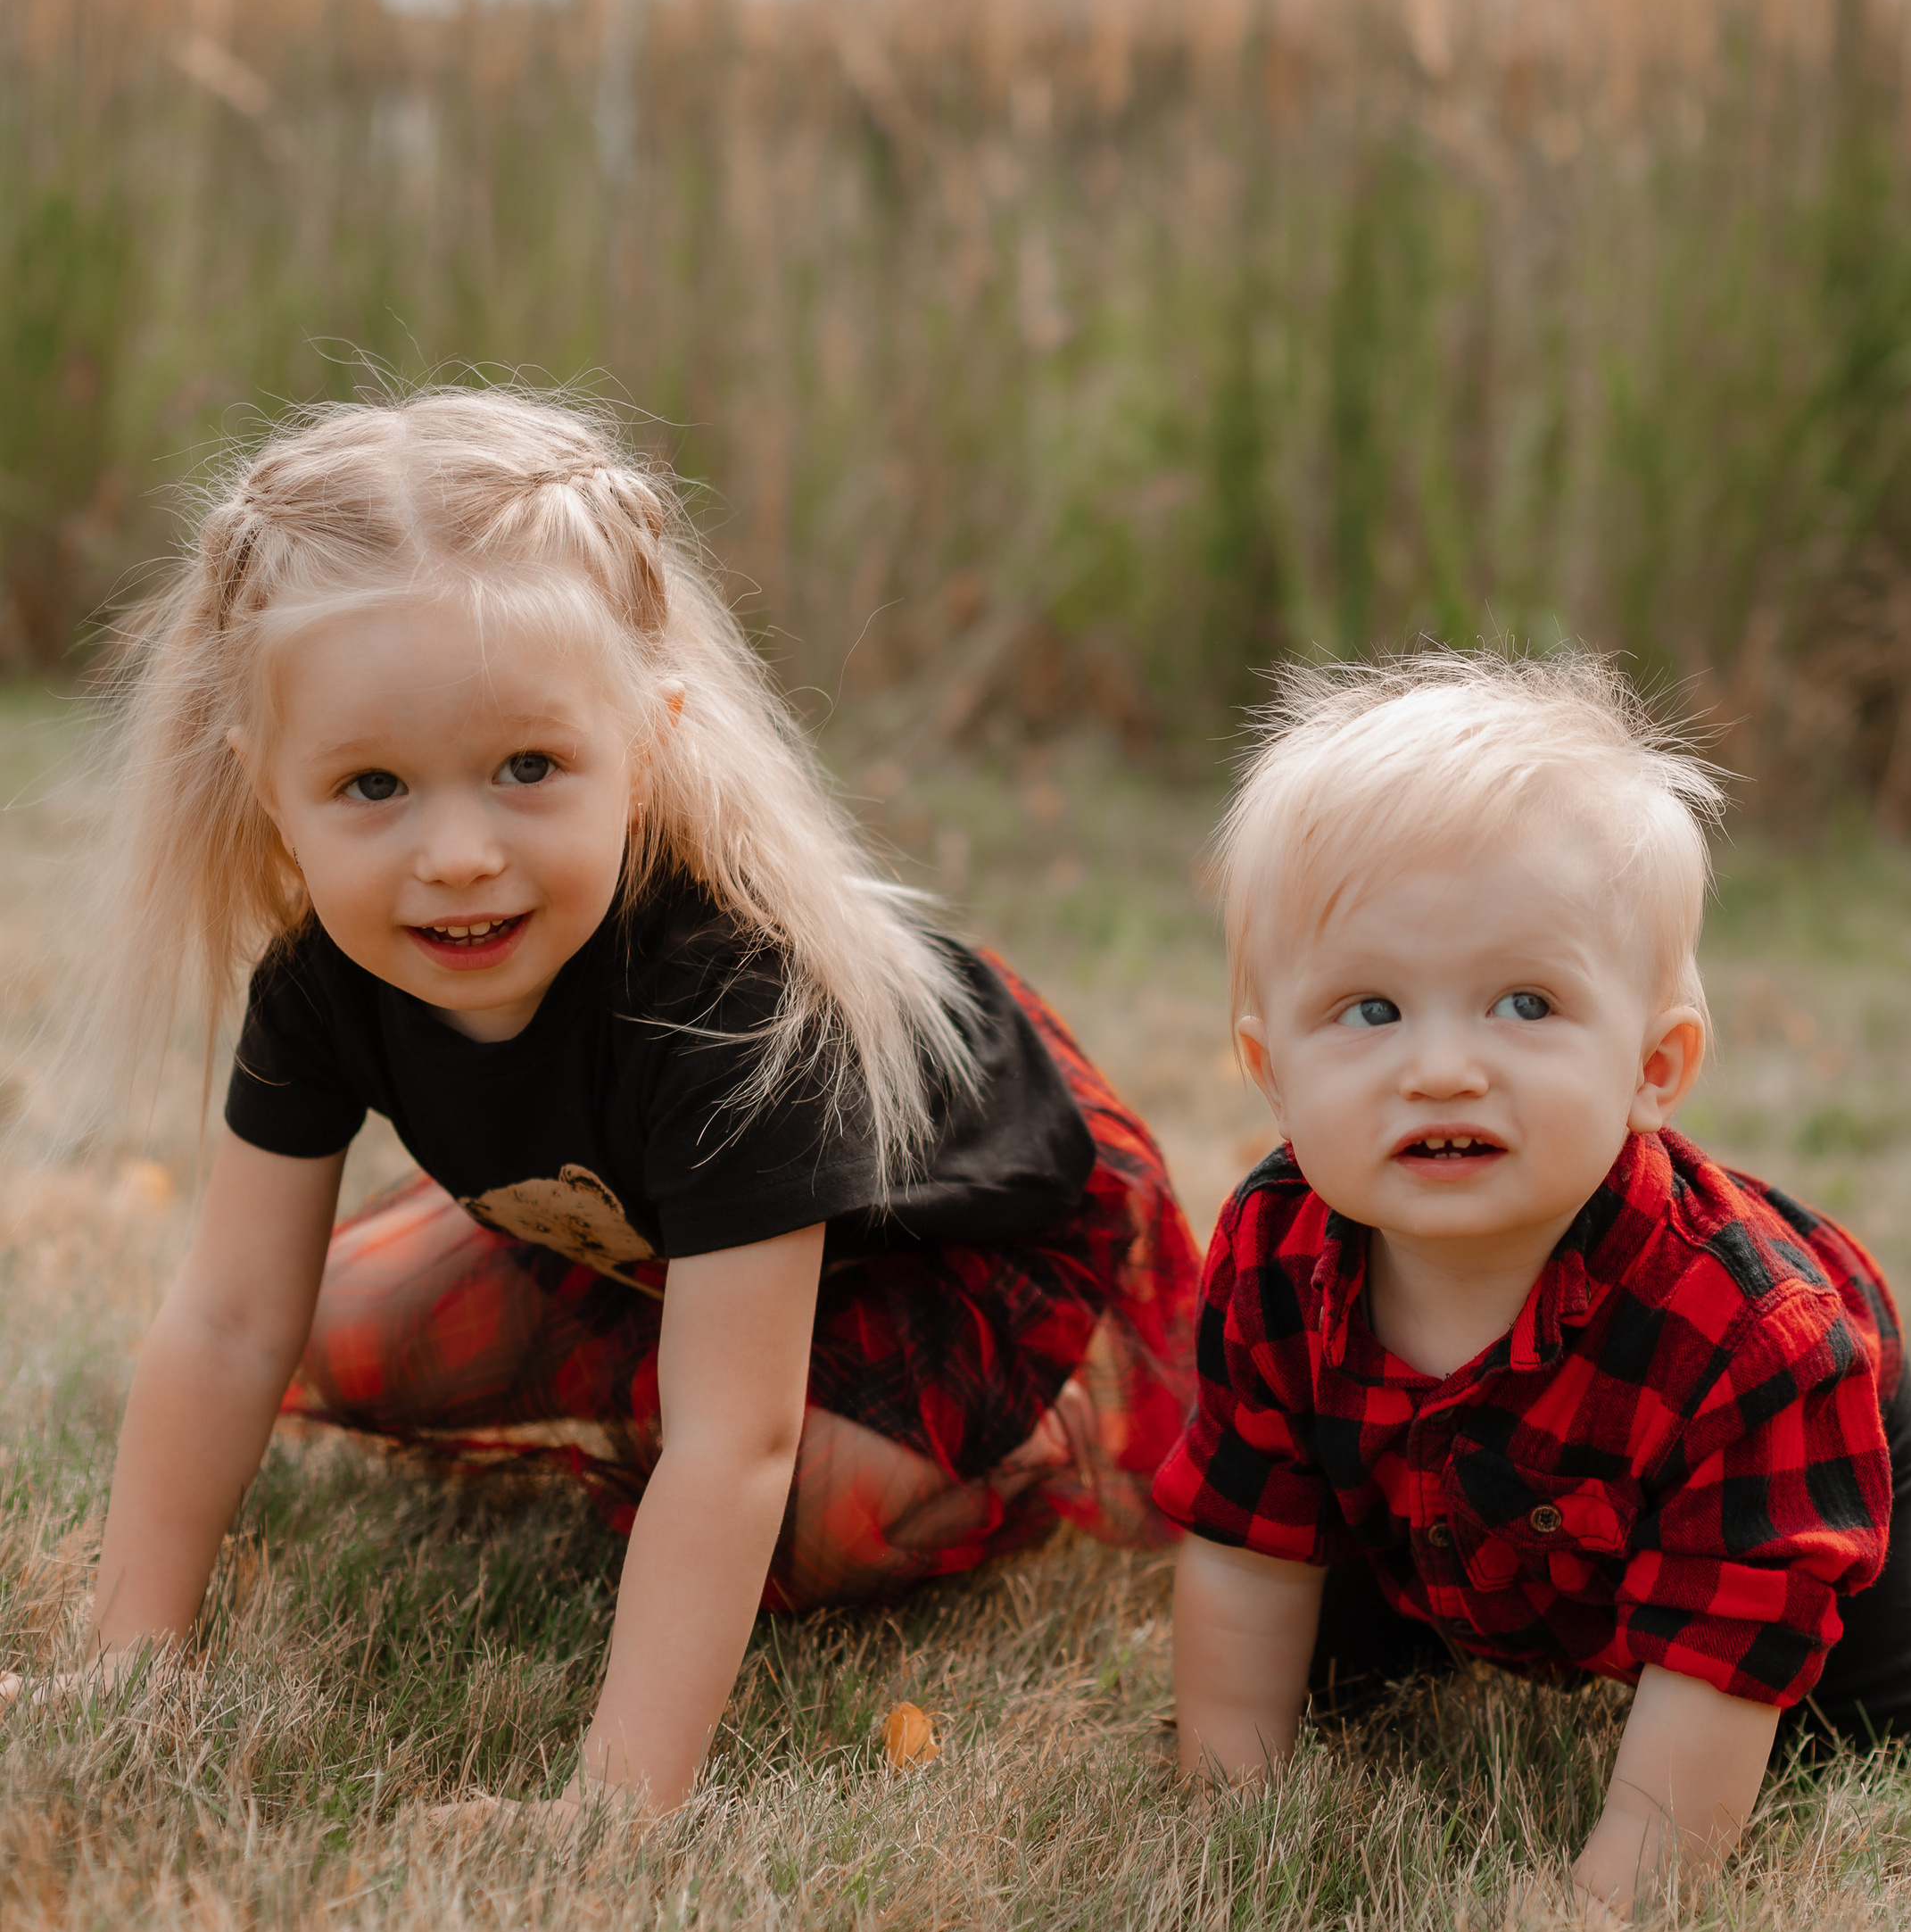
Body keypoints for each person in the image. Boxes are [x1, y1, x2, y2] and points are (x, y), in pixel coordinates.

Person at [24, 386, 1197, 1813]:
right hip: (646, 1230)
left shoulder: (734, 1002)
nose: (458, 853)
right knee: (340, 1345)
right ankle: (659, 1338)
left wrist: (613, 1812)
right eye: (372, 786)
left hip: (948, 1249)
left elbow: (735, 1441)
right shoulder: (322, 982)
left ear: (647, 740)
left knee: (812, 1511)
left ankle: (1031, 1435)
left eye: (529, 768)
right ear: (263, 782)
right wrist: (132, 1660)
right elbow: (225, 1320)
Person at [1156, 649, 1911, 1919]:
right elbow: (1249, 1547)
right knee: (1318, 1666)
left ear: (1656, 1065)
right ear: (1271, 1073)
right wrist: (1232, 1808)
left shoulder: (1750, 1338)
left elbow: (1720, 1657)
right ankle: (1458, 1614)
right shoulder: (1274, 1251)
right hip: (1454, 1515)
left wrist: (1612, 1910)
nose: (1439, 1068)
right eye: (1369, 1011)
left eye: (1524, 1004)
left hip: (1775, 1480)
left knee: (1859, 1724)